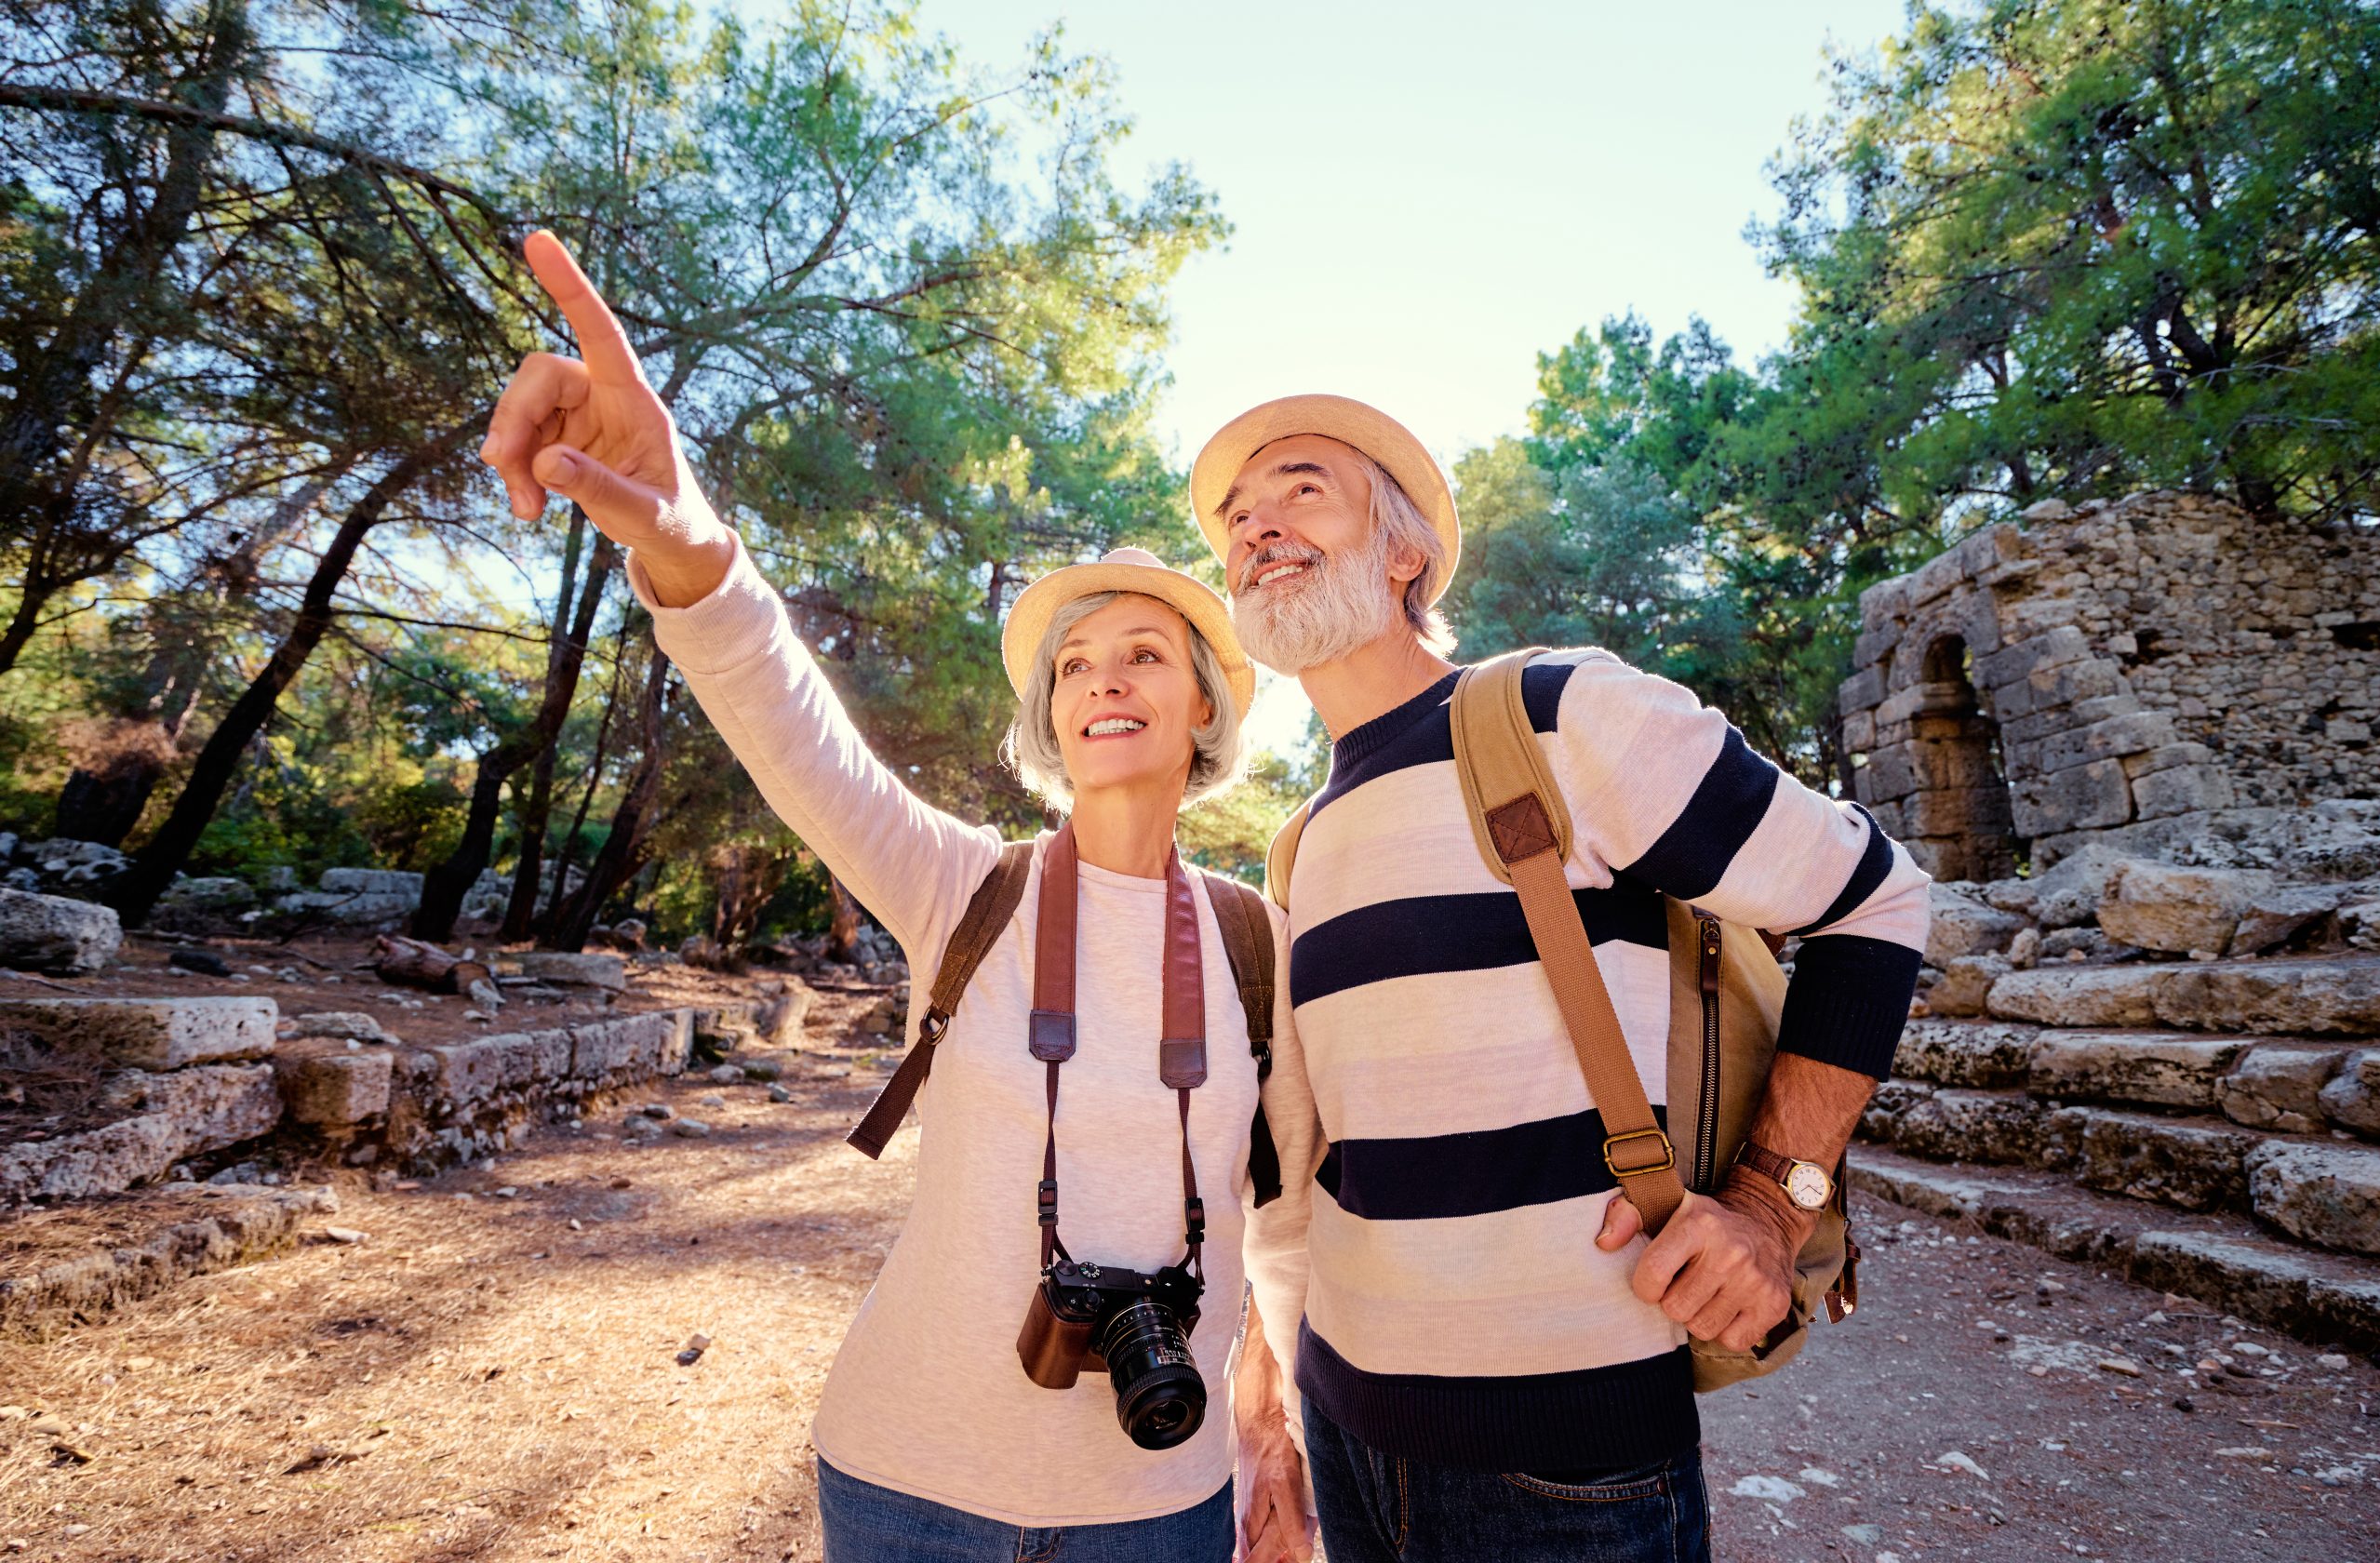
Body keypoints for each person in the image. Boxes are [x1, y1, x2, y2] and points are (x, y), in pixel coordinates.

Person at [478, 231, 1317, 1563]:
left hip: (1156, 1504)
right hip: (906, 1481)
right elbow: (789, 727)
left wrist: (1275, 1435)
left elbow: (1286, 1222)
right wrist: (686, 529)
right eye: (1076, 663)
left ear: (1204, 707)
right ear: (1050, 716)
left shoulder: (1258, 940)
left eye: (1145, 653)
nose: (1105, 679)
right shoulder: (961, 888)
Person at [1206, 394, 1932, 1563]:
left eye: (1300, 489)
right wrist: (1279, 1392)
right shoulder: (1300, 843)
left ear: (1406, 553)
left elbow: (1875, 896)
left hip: (1565, 1466)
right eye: (1235, 518)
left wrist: (1767, 1200)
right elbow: (1311, 1169)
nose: (1256, 527)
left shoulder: (1556, 713)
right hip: (1345, 1427)